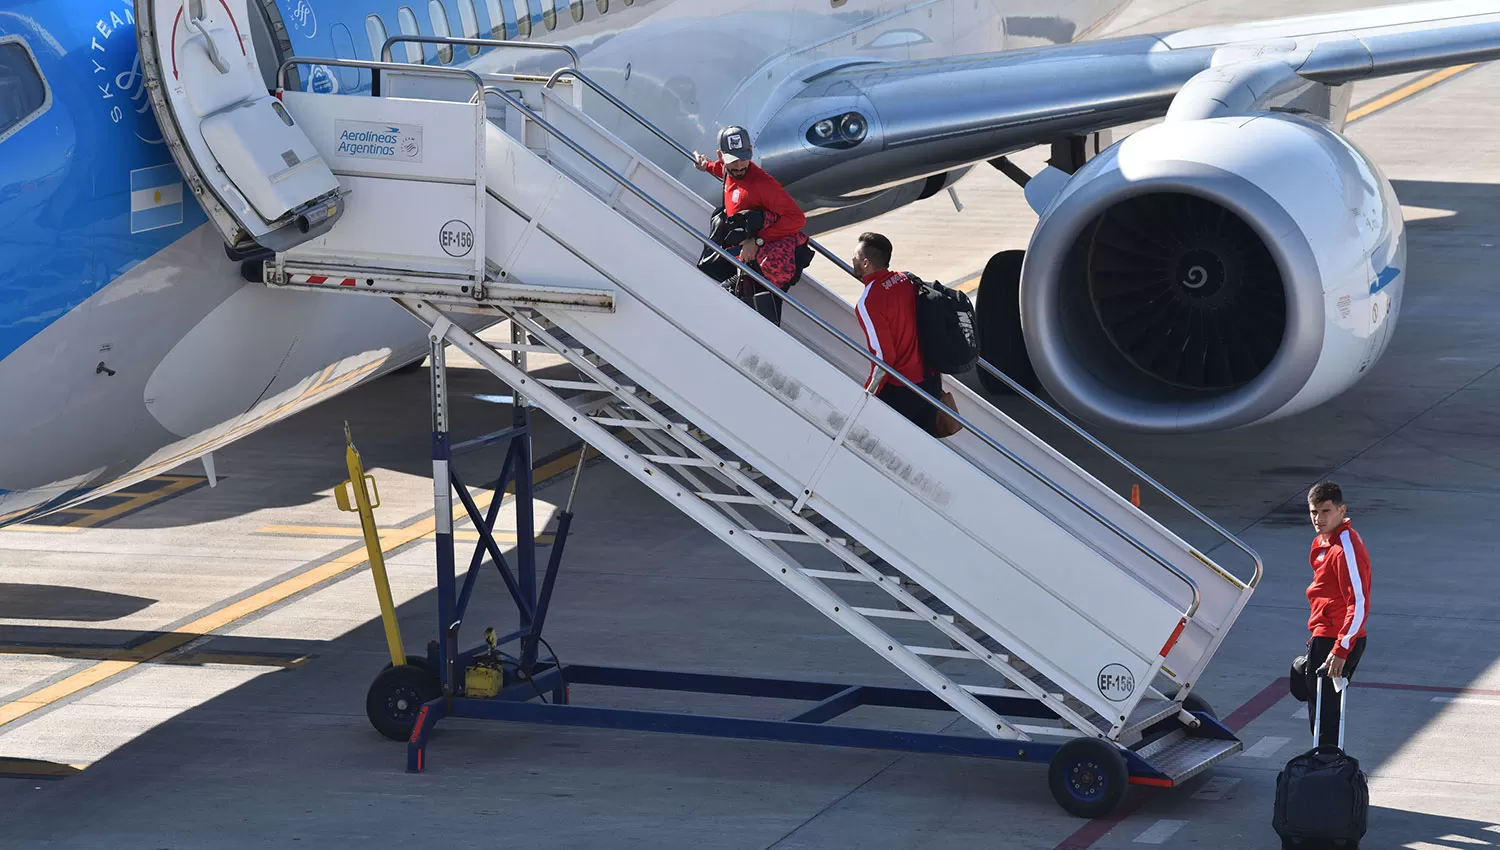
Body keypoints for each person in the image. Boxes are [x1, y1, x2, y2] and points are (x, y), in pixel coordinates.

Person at [693, 125, 809, 323]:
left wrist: (758, 241)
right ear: (721, 156)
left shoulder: (764, 185)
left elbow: (797, 219)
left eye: (744, 159)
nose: (739, 166)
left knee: (764, 315)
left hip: (765, 263)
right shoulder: (729, 171)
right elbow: (725, 172)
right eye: (732, 160)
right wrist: (707, 166)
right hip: (748, 261)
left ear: (751, 153)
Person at [851, 232, 944, 435]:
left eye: (855, 258)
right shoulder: (905, 280)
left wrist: (868, 392)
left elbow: (884, 358)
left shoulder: (869, 302)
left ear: (865, 263)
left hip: (903, 389)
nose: (852, 261)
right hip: (930, 378)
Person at [1304, 481, 1371, 748]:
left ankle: (1326, 770)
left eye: (1326, 511)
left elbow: (1359, 602)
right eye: (1313, 512)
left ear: (1342, 510)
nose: (1319, 519)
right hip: (1323, 634)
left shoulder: (1346, 548)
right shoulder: (1322, 542)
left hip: (1337, 638)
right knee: (1317, 710)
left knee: (1326, 719)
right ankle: (1323, 765)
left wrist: (1341, 648)